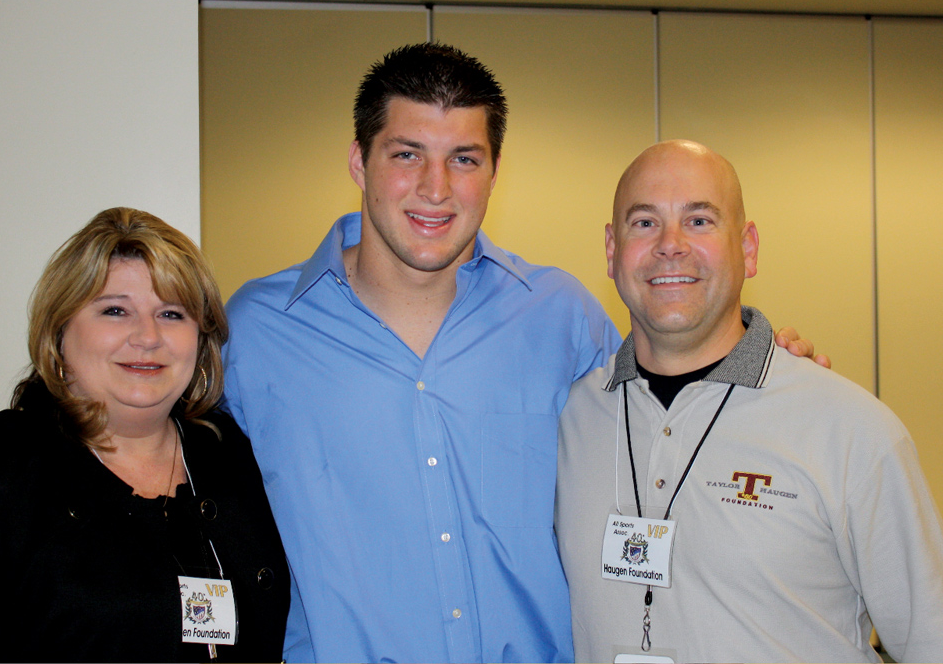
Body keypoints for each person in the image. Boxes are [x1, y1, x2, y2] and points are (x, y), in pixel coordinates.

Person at [223, 43, 820, 664]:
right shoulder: (259, 331)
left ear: (494, 170)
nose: (435, 188)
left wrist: (760, 363)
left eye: (464, 158)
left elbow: (666, 421)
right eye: (406, 155)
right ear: (358, 162)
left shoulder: (559, 315)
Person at [555, 140, 943, 663]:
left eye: (699, 221)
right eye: (644, 222)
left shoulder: (852, 430)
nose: (670, 245)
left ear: (749, 247)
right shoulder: (571, 418)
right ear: (611, 249)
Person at [0, 208, 290, 662]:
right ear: (60, 330)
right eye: (115, 310)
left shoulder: (237, 456)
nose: (147, 336)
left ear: (201, 339)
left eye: (171, 313)